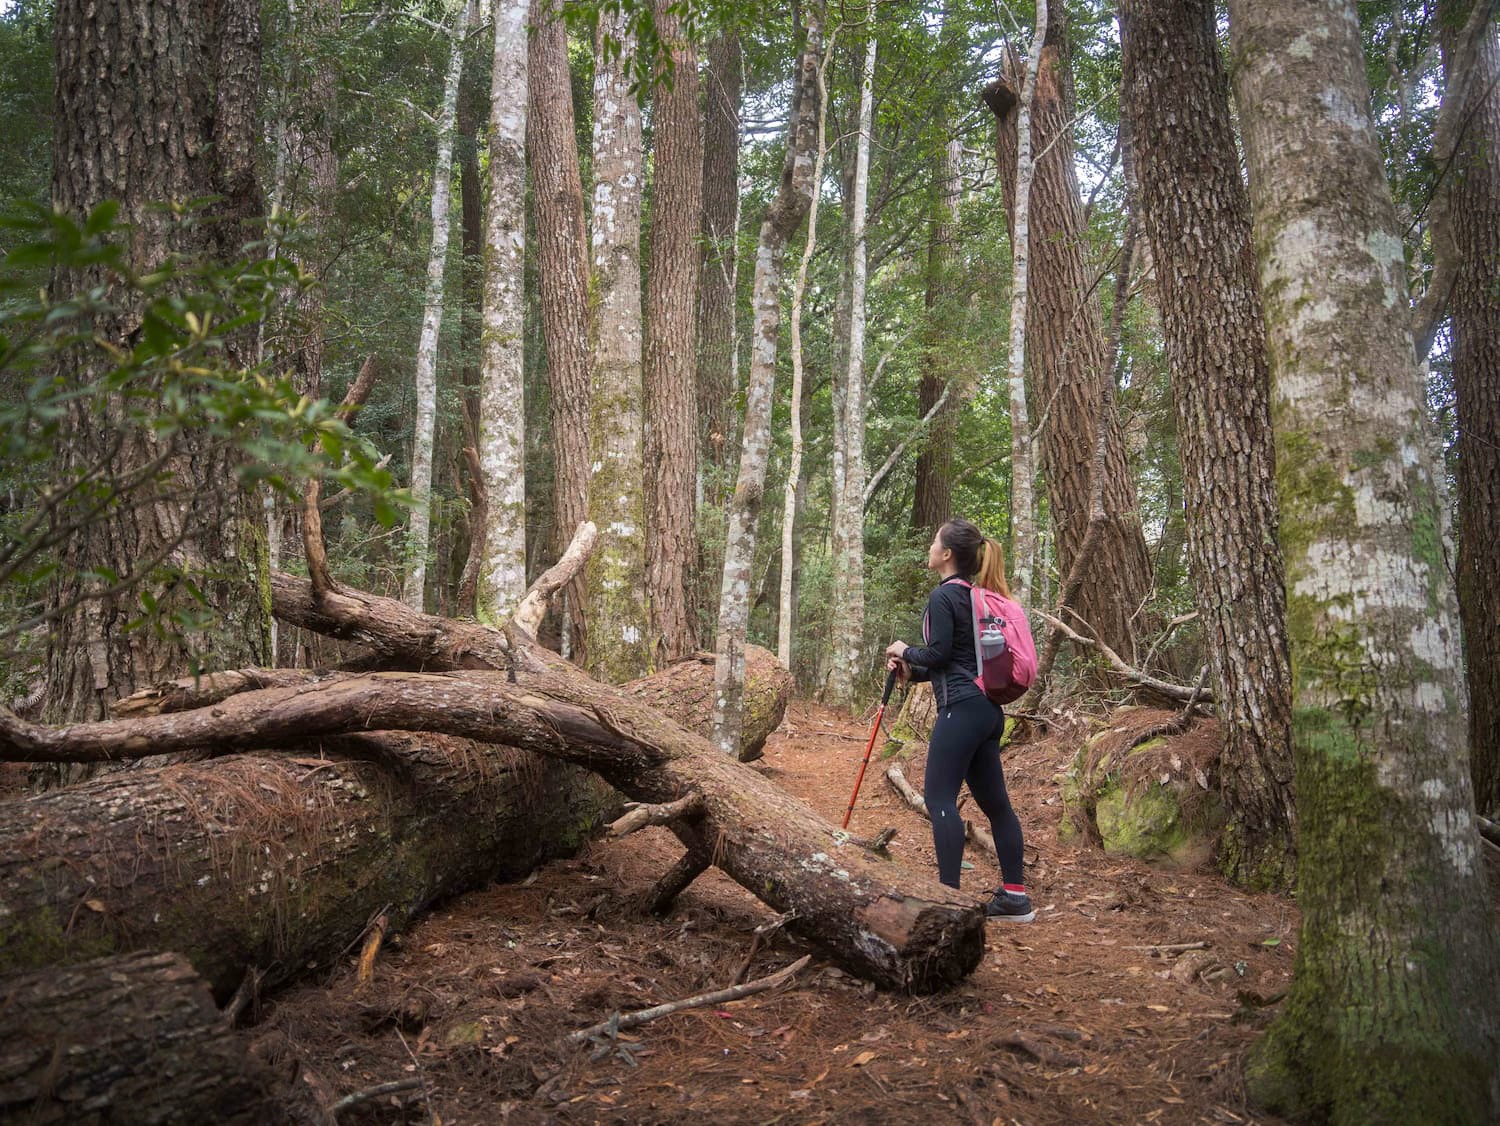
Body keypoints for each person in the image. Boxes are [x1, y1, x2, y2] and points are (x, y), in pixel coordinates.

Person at [885, 518, 1034, 922]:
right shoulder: (978, 597)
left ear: (947, 554)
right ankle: (1015, 899)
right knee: (997, 806)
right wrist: (911, 670)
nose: (930, 547)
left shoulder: (943, 597)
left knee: (938, 800)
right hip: (987, 711)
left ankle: (948, 900)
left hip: (961, 710)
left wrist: (905, 648)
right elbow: (955, 661)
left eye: (935, 541)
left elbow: (940, 654)